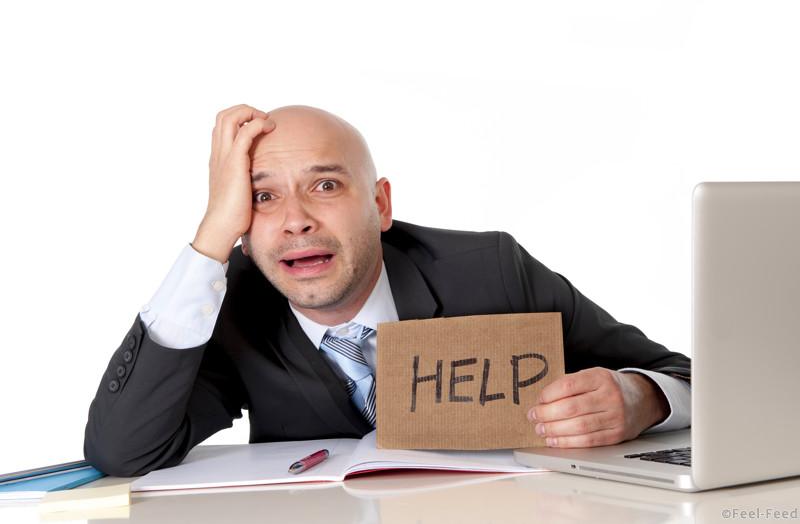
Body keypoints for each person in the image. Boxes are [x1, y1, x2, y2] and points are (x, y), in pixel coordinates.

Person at [83, 104, 691, 477]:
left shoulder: (489, 270)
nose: (295, 221)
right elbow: (122, 451)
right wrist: (212, 236)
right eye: (263, 197)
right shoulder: (232, 305)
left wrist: (643, 400)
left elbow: (685, 374)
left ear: (380, 205)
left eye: (324, 186)